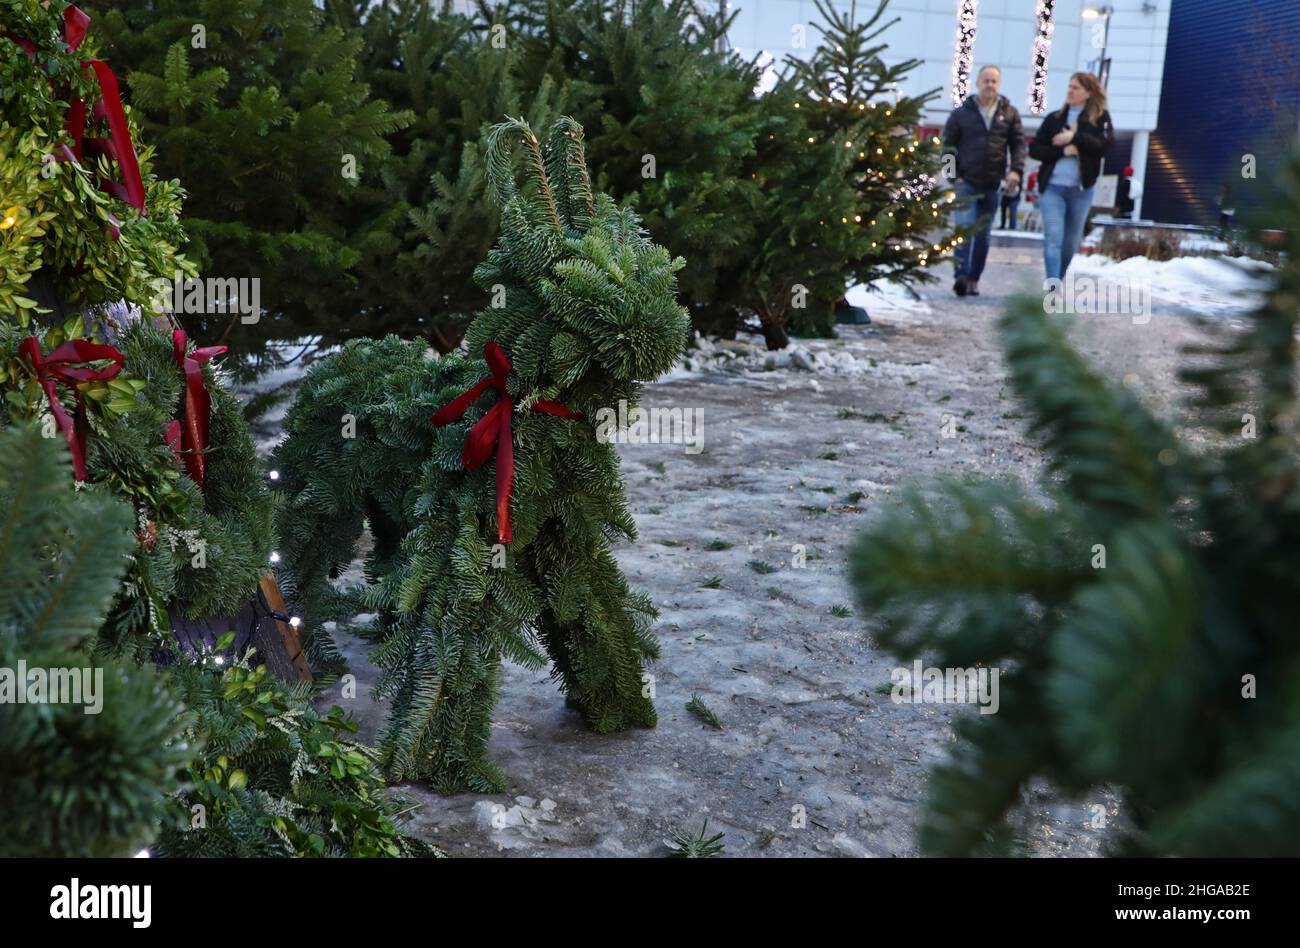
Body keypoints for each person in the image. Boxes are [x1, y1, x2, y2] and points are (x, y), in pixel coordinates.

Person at [942, 64, 1027, 297]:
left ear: (998, 85)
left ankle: (973, 278)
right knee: (965, 229)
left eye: (994, 81)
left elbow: (1019, 145)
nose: (990, 85)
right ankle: (960, 275)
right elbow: (948, 146)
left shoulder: (1009, 114)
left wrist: (1016, 171)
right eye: (986, 80)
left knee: (983, 234)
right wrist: (952, 176)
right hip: (966, 181)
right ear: (978, 83)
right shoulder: (961, 114)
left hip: (992, 183)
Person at [1029, 72, 1115, 282]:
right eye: (1069, 86)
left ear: (1088, 93)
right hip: (1052, 187)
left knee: (1070, 242)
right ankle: (1052, 285)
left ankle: (1057, 278)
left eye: (1075, 87)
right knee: (1053, 236)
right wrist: (1063, 151)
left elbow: (1104, 146)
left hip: (1080, 190)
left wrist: (1075, 139)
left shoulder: (1099, 119)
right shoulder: (1054, 119)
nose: (1070, 91)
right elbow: (1035, 150)